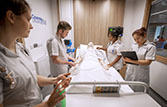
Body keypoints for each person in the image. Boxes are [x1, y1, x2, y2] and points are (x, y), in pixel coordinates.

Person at [0, 0, 71, 107]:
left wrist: (55, 80)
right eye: (28, 20)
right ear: (11, 17)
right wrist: (47, 104)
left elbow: (31, 77)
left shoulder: (21, 48)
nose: (32, 26)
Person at [123, 27, 156, 92]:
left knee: (139, 91)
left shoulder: (151, 47)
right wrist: (126, 58)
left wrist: (131, 61)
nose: (136, 41)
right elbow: (132, 55)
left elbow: (147, 62)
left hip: (140, 73)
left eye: (138, 38)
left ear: (144, 35)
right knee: (128, 89)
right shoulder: (134, 45)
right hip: (130, 70)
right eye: (135, 39)